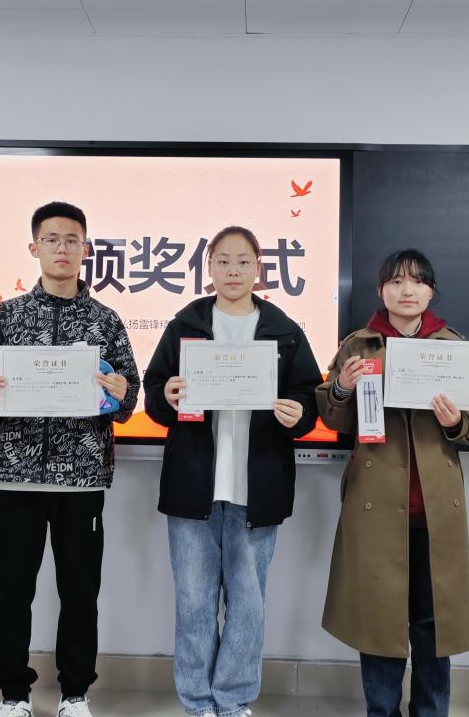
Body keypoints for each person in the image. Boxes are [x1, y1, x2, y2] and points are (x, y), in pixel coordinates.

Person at [143, 225, 322, 717]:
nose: (233, 271)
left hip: (257, 487)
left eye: (243, 262)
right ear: (209, 268)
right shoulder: (185, 325)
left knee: (248, 605)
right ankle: (198, 702)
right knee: (194, 604)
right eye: (222, 261)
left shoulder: (285, 330)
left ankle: (234, 699)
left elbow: (308, 399)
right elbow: (154, 393)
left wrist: (299, 413)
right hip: (193, 487)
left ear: (259, 268)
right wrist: (167, 397)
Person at [0, 202, 139, 717]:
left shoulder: (106, 320)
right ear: (34, 247)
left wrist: (120, 392)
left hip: (82, 479)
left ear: (85, 250)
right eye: (52, 239)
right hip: (16, 477)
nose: (62, 248)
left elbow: (129, 399)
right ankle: (13, 694)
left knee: (80, 592)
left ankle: (75, 693)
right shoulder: (8, 315)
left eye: (72, 240)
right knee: (13, 592)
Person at [317, 248, 469, 717]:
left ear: (431, 291)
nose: (406, 290)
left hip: (435, 509)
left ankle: (431, 711)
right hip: (374, 504)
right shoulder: (359, 345)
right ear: (381, 291)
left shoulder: (453, 347)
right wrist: (342, 388)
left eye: (416, 281)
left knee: (435, 622)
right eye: (395, 281)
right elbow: (333, 417)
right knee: (379, 620)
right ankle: (381, 711)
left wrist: (456, 421)